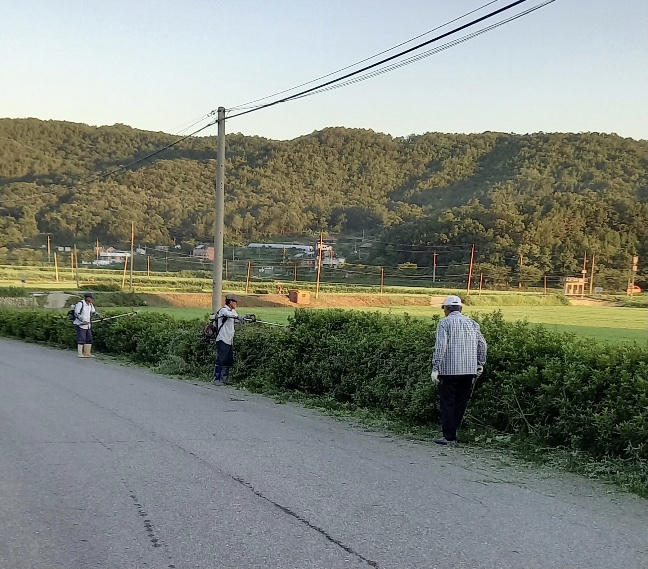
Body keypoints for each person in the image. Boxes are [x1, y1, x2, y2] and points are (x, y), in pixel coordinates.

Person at [431, 295, 487, 445]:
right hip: (469, 370)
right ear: (460, 308)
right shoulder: (472, 323)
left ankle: (449, 437)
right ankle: (454, 432)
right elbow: (482, 344)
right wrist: (480, 363)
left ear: (447, 309)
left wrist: (435, 368)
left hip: (449, 371)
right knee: (460, 402)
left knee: (448, 402)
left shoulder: (444, 323)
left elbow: (441, 347)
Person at [212, 294, 242, 385]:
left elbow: (236, 319)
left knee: (228, 359)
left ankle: (224, 378)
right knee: (221, 359)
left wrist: (244, 319)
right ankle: (216, 379)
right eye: (234, 302)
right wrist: (238, 317)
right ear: (229, 302)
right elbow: (228, 315)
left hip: (229, 339)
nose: (236, 303)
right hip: (222, 338)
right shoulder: (223, 310)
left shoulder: (233, 312)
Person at [73, 292, 102, 358]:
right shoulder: (80, 304)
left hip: (88, 325)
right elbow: (76, 313)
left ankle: (87, 353)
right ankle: (80, 353)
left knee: (89, 339)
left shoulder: (90, 305)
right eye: (91, 298)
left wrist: (99, 315)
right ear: (87, 298)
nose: (92, 299)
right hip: (81, 325)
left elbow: (93, 312)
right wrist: (83, 321)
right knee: (81, 339)